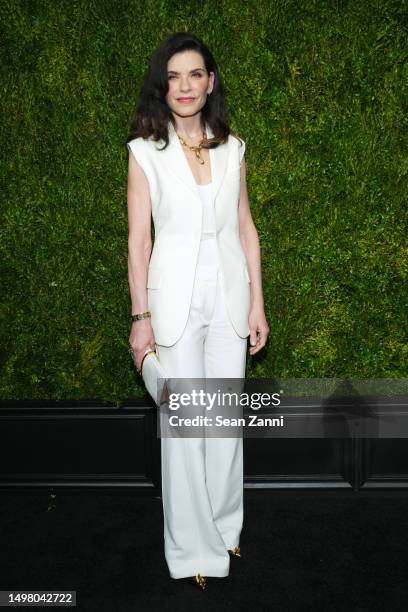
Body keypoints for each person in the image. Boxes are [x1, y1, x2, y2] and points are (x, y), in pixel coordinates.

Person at [126, 32, 269, 590]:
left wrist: (258, 301)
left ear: (210, 82)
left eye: (195, 75)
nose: (185, 86)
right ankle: (191, 550)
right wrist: (141, 319)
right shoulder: (144, 152)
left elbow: (246, 227)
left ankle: (225, 525)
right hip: (174, 300)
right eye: (174, 76)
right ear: (164, 87)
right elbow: (140, 240)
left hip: (230, 297)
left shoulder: (234, 148)